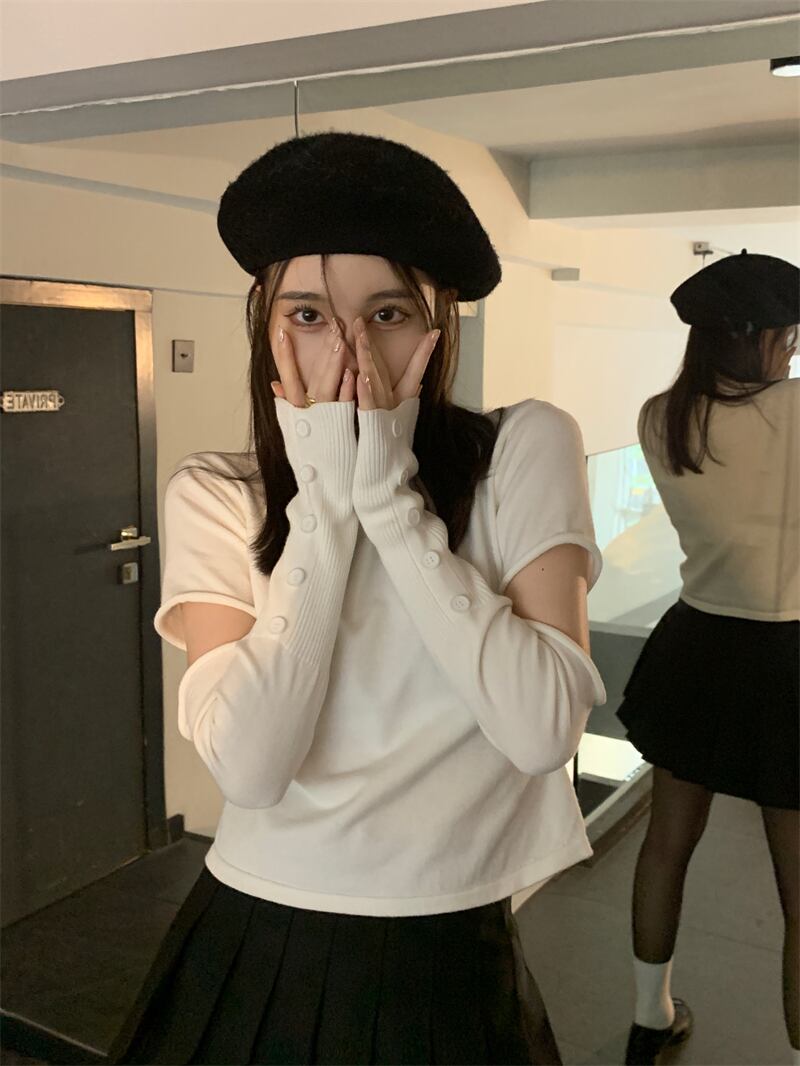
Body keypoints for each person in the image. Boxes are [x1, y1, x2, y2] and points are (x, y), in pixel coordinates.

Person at [106, 130, 608, 1065]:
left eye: (388, 313)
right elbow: (252, 772)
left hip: (452, 941)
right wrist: (329, 509)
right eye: (308, 314)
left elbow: (543, 732)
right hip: (256, 935)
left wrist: (386, 499)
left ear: (438, 323)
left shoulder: (522, 450)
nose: (350, 352)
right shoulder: (214, 493)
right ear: (264, 327)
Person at [615, 250, 800, 1066]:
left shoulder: (662, 417)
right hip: (790, 656)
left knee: (665, 843)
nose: (792, 351)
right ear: (755, 336)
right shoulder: (795, 410)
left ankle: (648, 1018)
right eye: (787, 337)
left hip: (696, 646)